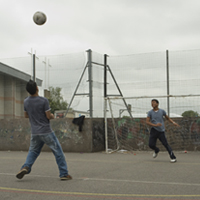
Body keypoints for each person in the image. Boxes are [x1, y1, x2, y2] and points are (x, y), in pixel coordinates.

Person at [16, 80, 72, 180]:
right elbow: (48, 116)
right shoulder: (44, 100)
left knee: (33, 151)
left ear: (28, 91)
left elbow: (25, 115)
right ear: (37, 88)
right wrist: (52, 116)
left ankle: (26, 166)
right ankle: (64, 173)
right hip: (46, 131)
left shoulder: (26, 101)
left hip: (35, 132)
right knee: (58, 152)